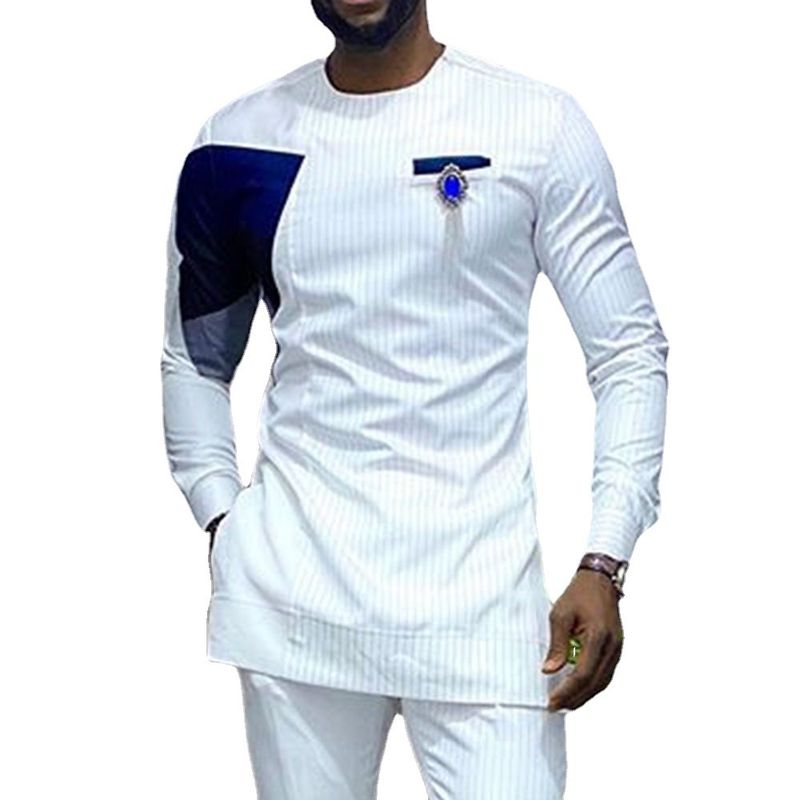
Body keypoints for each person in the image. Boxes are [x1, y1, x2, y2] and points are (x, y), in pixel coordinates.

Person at [160, 1, 669, 797]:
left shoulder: (534, 125)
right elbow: (194, 359)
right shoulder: (238, 142)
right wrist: (224, 522)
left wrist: (604, 559)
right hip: (294, 608)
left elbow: (628, 352)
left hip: (484, 617)